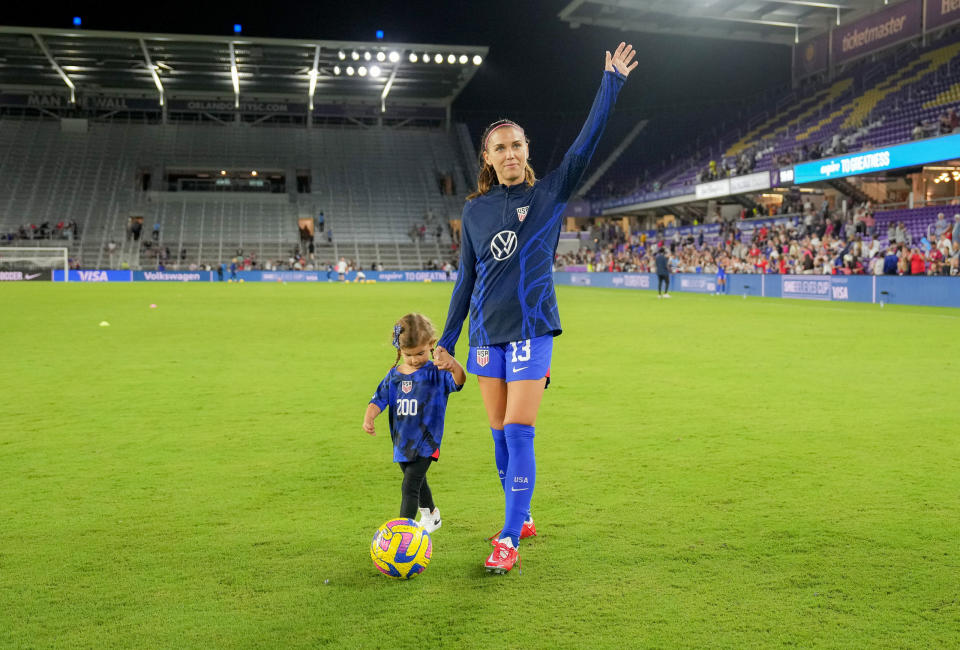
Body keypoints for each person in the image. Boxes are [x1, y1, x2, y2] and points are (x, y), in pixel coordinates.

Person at [433, 42, 637, 574]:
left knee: (520, 431)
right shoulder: (474, 211)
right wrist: (447, 341)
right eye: (499, 147)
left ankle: (509, 537)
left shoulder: (549, 193)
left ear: (527, 149)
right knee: (499, 434)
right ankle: (519, 515)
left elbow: (585, 147)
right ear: (487, 157)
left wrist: (610, 82)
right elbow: (465, 282)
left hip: (531, 329)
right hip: (485, 334)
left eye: (516, 145)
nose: (509, 154)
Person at [363, 313, 465, 533]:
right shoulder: (394, 375)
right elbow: (379, 399)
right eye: (409, 355)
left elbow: (459, 382)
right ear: (400, 351)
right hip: (402, 443)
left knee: (409, 486)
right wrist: (369, 416)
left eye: (420, 353)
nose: (415, 359)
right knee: (418, 481)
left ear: (431, 344)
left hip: (427, 442)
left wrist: (454, 366)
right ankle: (431, 515)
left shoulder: (436, 372)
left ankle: (402, 534)